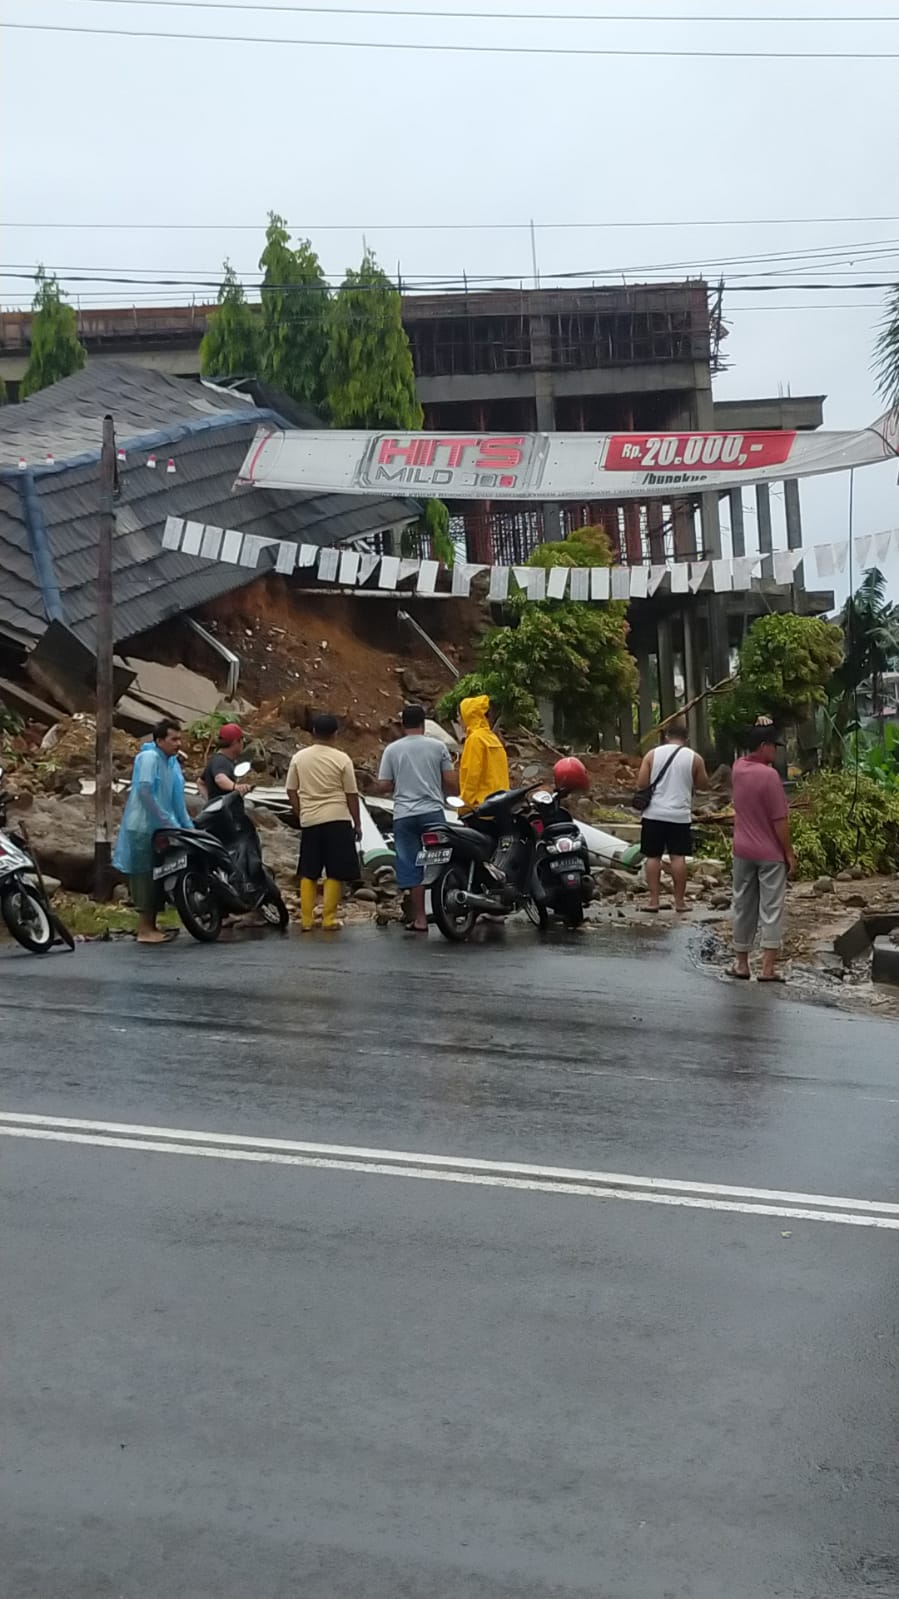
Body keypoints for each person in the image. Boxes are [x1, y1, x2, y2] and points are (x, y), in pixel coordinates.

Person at [375, 703, 458, 934]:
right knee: (444, 859)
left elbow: (384, 785)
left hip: (404, 816)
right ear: (424, 724)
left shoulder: (392, 750)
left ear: (402, 725)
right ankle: (450, 907)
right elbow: (450, 782)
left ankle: (420, 919)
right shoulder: (438, 746)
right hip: (432, 812)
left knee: (411, 866)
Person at [113, 718, 193, 944]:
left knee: (160, 874)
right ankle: (145, 929)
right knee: (145, 876)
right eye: (173, 739)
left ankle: (153, 925)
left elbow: (177, 798)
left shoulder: (171, 762)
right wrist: (164, 819)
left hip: (162, 827)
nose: (178, 744)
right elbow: (145, 791)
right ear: (159, 740)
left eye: (180, 738)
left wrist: (187, 826)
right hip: (143, 827)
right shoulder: (149, 758)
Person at [729, 721, 797, 982]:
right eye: (773, 746)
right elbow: (779, 820)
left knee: (743, 906)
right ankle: (768, 969)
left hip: (742, 850)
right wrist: (789, 853)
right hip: (769, 854)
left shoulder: (737, 769)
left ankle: (742, 964)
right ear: (763, 747)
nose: (776, 752)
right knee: (771, 908)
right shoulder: (769, 776)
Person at [286, 714, 361, 932]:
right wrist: (357, 823)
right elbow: (351, 794)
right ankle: (328, 919)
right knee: (335, 871)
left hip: (310, 820)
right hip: (337, 818)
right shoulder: (342, 759)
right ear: (335, 734)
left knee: (309, 871)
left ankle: (307, 920)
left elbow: (291, 789)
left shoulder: (299, 758)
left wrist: (301, 813)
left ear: (313, 733)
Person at [635, 720, 709, 913]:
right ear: (687, 739)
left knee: (653, 857)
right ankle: (680, 902)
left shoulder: (652, 755)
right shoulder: (695, 758)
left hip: (653, 814)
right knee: (678, 858)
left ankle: (653, 901)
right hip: (679, 815)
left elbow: (642, 783)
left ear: (666, 737)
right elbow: (703, 785)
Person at [459, 694, 510, 810]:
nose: (459, 720)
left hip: (481, 807)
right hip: (501, 803)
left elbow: (471, 775)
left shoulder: (475, 740)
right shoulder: (492, 738)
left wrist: (464, 805)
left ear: (468, 717)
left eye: (460, 716)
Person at [200, 723, 249, 802]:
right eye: (242, 739)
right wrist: (235, 787)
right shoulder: (221, 761)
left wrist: (208, 804)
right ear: (235, 742)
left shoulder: (216, 759)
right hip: (223, 813)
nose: (243, 743)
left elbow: (200, 782)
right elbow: (219, 778)